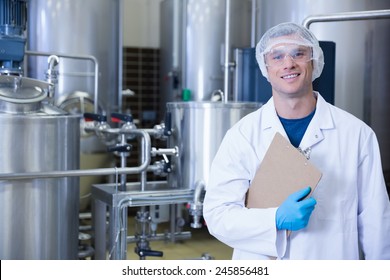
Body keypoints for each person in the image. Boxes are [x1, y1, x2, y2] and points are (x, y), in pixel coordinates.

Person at [203, 22, 390, 260]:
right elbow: (217, 215)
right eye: (277, 56)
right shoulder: (242, 136)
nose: (288, 63)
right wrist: (275, 219)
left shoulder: (357, 135)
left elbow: (377, 225)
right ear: (265, 67)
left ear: (314, 60)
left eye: (298, 53)